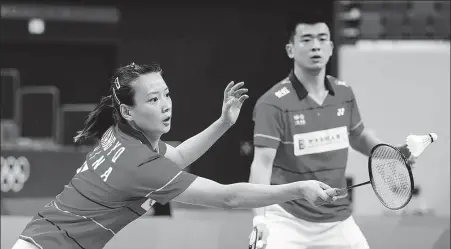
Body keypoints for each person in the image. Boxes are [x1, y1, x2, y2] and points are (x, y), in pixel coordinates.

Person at [12, 62, 343, 249]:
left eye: (166, 94)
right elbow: (228, 198)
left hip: (40, 240)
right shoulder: (138, 163)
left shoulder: (123, 136)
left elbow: (180, 154)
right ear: (128, 111)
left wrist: (224, 123)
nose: (166, 105)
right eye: (153, 100)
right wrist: (298, 190)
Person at [248, 12, 416, 249]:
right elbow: (261, 165)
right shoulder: (272, 103)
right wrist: (259, 219)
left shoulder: (344, 93)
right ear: (290, 49)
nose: (315, 46)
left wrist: (389, 154)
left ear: (331, 47)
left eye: (322, 38)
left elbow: (358, 136)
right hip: (286, 218)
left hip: (337, 220)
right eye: (306, 39)